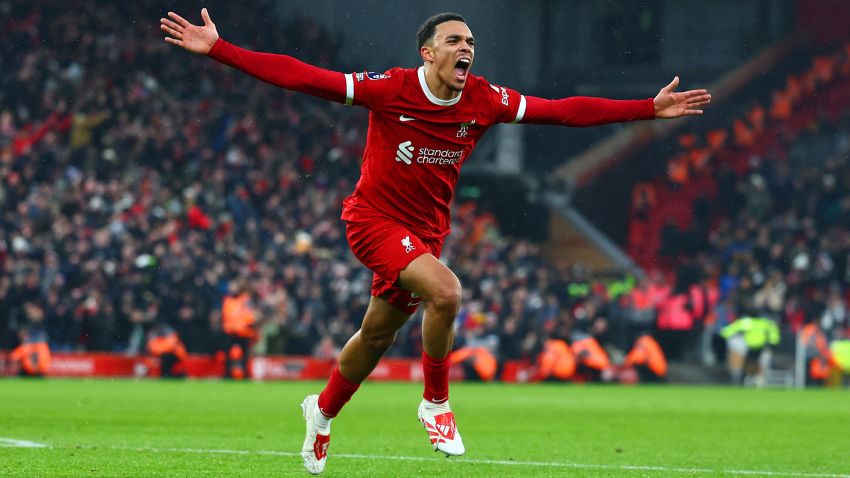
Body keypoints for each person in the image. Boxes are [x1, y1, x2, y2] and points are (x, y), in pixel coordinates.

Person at [160, 9, 710, 474]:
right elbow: (306, 77)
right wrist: (221, 50)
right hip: (372, 220)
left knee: (375, 337)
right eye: (454, 40)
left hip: (425, 233)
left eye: (471, 41)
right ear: (428, 53)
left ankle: (321, 413)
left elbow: (561, 111)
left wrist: (645, 108)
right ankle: (435, 403)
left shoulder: (483, 100)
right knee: (447, 293)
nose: (466, 47)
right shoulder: (390, 88)